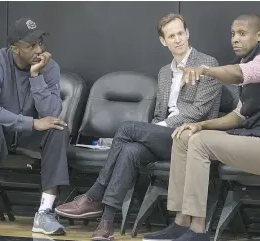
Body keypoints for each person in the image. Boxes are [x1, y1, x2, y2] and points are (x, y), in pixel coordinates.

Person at [55, 13, 222, 241]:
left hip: (191, 138)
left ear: (188, 33)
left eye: (180, 33)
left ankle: (94, 195)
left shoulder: (207, 64)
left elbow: (199, 111)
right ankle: (106, 223)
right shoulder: (165, 73)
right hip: (166, 137)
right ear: (163, 41)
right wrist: (156, 127)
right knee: (129, 150)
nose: (178, 39)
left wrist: (159, 126)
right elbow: (158, 114)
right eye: (171, 36)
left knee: (127, 129)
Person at [143, 13, 260, 241]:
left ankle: (198, 231)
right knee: (185, 135)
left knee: (199, 143)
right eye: (232, 34)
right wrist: (199, 124)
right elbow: (239, 116)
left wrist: (204, 70)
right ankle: (181, 222)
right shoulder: (247, 64)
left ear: (259, 36)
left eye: (242, 33)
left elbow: (237, 74)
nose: (235, 39)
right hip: (258, 141)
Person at [0, 18, 69, 236]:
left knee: (58, 128)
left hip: (24, 133)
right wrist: (32, 123)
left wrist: (36, 76)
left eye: (40, 43)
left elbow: (50, 113)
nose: (38, 50)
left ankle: (45, 211)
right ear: (15, 49)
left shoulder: (49, 67)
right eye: (31, 46)